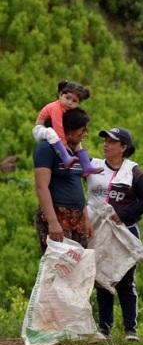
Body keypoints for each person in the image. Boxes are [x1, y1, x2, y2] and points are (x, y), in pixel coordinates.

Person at [86, 128, 143, 341]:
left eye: (112, 142)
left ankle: (130, 330)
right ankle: (104, 329)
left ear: (123, 148)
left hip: (124, 231)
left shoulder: (133, 171)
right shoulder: (93, 165)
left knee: (125, 279)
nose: (106, 145)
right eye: (105, 141)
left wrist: (123, 215)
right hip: (96, 231)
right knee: (102, 279)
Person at [34, 108, 94, 252]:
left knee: (77, 267)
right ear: (69, 130)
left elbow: (77, 184)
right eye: (82, 130)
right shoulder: (46, 149)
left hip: (77, 215)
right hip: (58, 214)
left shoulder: (75, 151)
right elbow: (42, 187)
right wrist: (53, 222)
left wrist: (85, 217)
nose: (85, 134)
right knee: (58, 266)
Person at [32, 80, 101, 176]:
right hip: (40, 129)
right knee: (51, 132)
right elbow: (58, 127)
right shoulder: (56, 108)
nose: (69, 102)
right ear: (60, 95)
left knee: (78, 143)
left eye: (74, 101)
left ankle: (87, 167)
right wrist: (65, 146)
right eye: (67, 98)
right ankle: (66, 158)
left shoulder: (68, 109)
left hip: (53, 130)